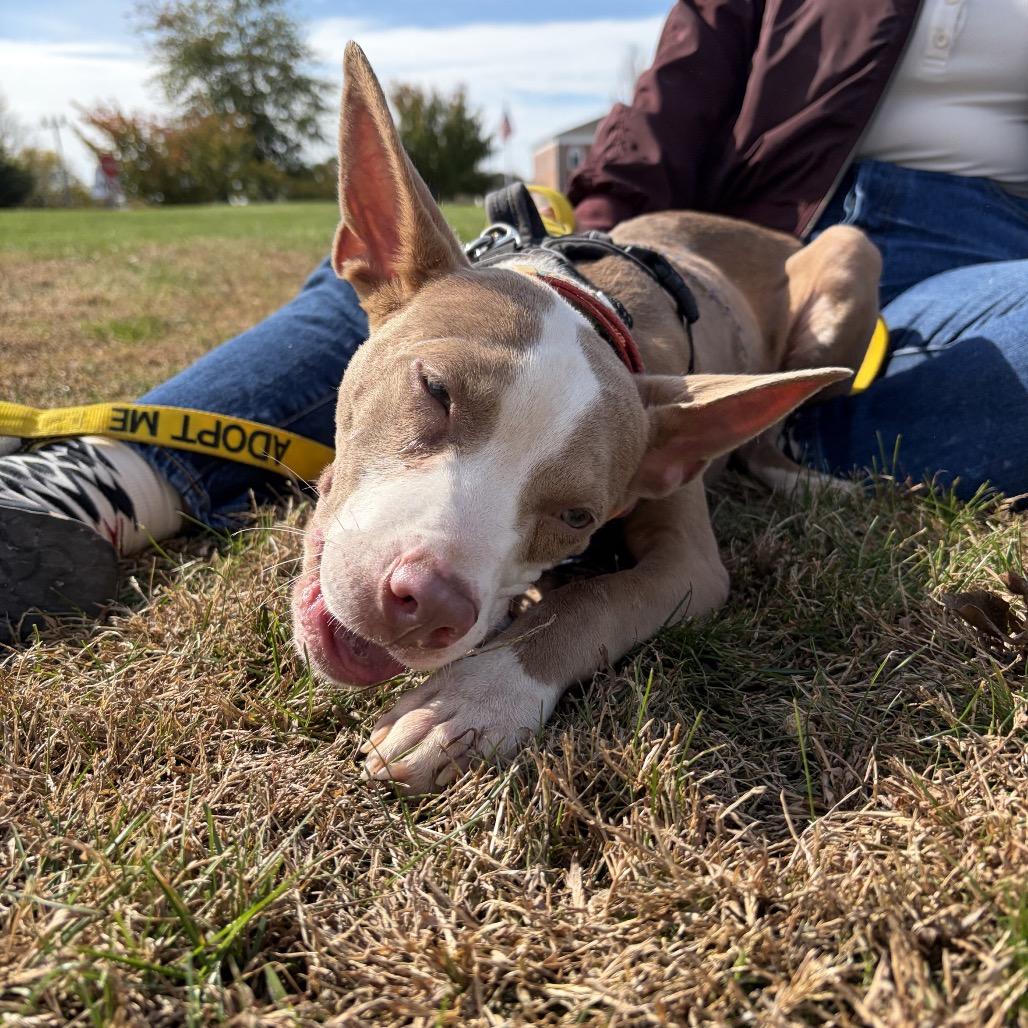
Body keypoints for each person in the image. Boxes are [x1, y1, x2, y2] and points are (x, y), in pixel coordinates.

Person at [2, 0, 1026, 634]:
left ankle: (762, 437)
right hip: (712, 225)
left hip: (966, 262)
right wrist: (571, 263)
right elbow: (683, 82)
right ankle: (101, 477)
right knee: (468, 307)